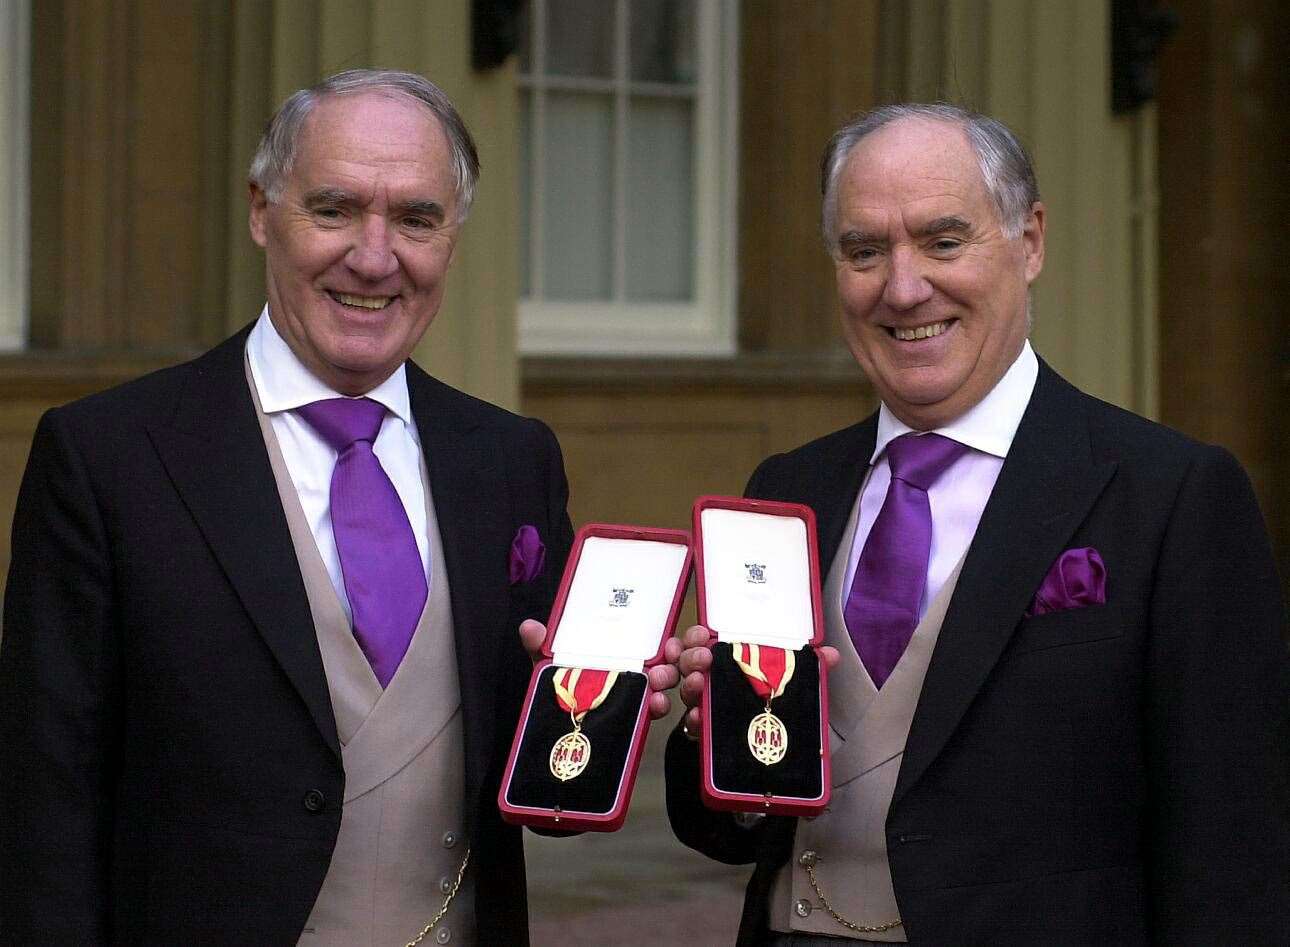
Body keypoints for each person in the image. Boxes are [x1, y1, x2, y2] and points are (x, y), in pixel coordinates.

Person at [0, 69, 675, 946]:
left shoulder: (510, 460)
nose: (373, 255)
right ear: (260, 213)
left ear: (453, 239)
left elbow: (538, 782)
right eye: (334, 208)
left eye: (416, 219)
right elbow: (42, 803)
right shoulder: (110, 457)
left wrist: (612, 711)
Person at [666, 103, 1290, 945]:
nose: (903, 286)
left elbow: (1232, 846)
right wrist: (716, 741)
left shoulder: (1171, 496)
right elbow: (726, 827)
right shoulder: (791, 487)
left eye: (943, 241)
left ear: (1029, 241)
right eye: (864, 251)